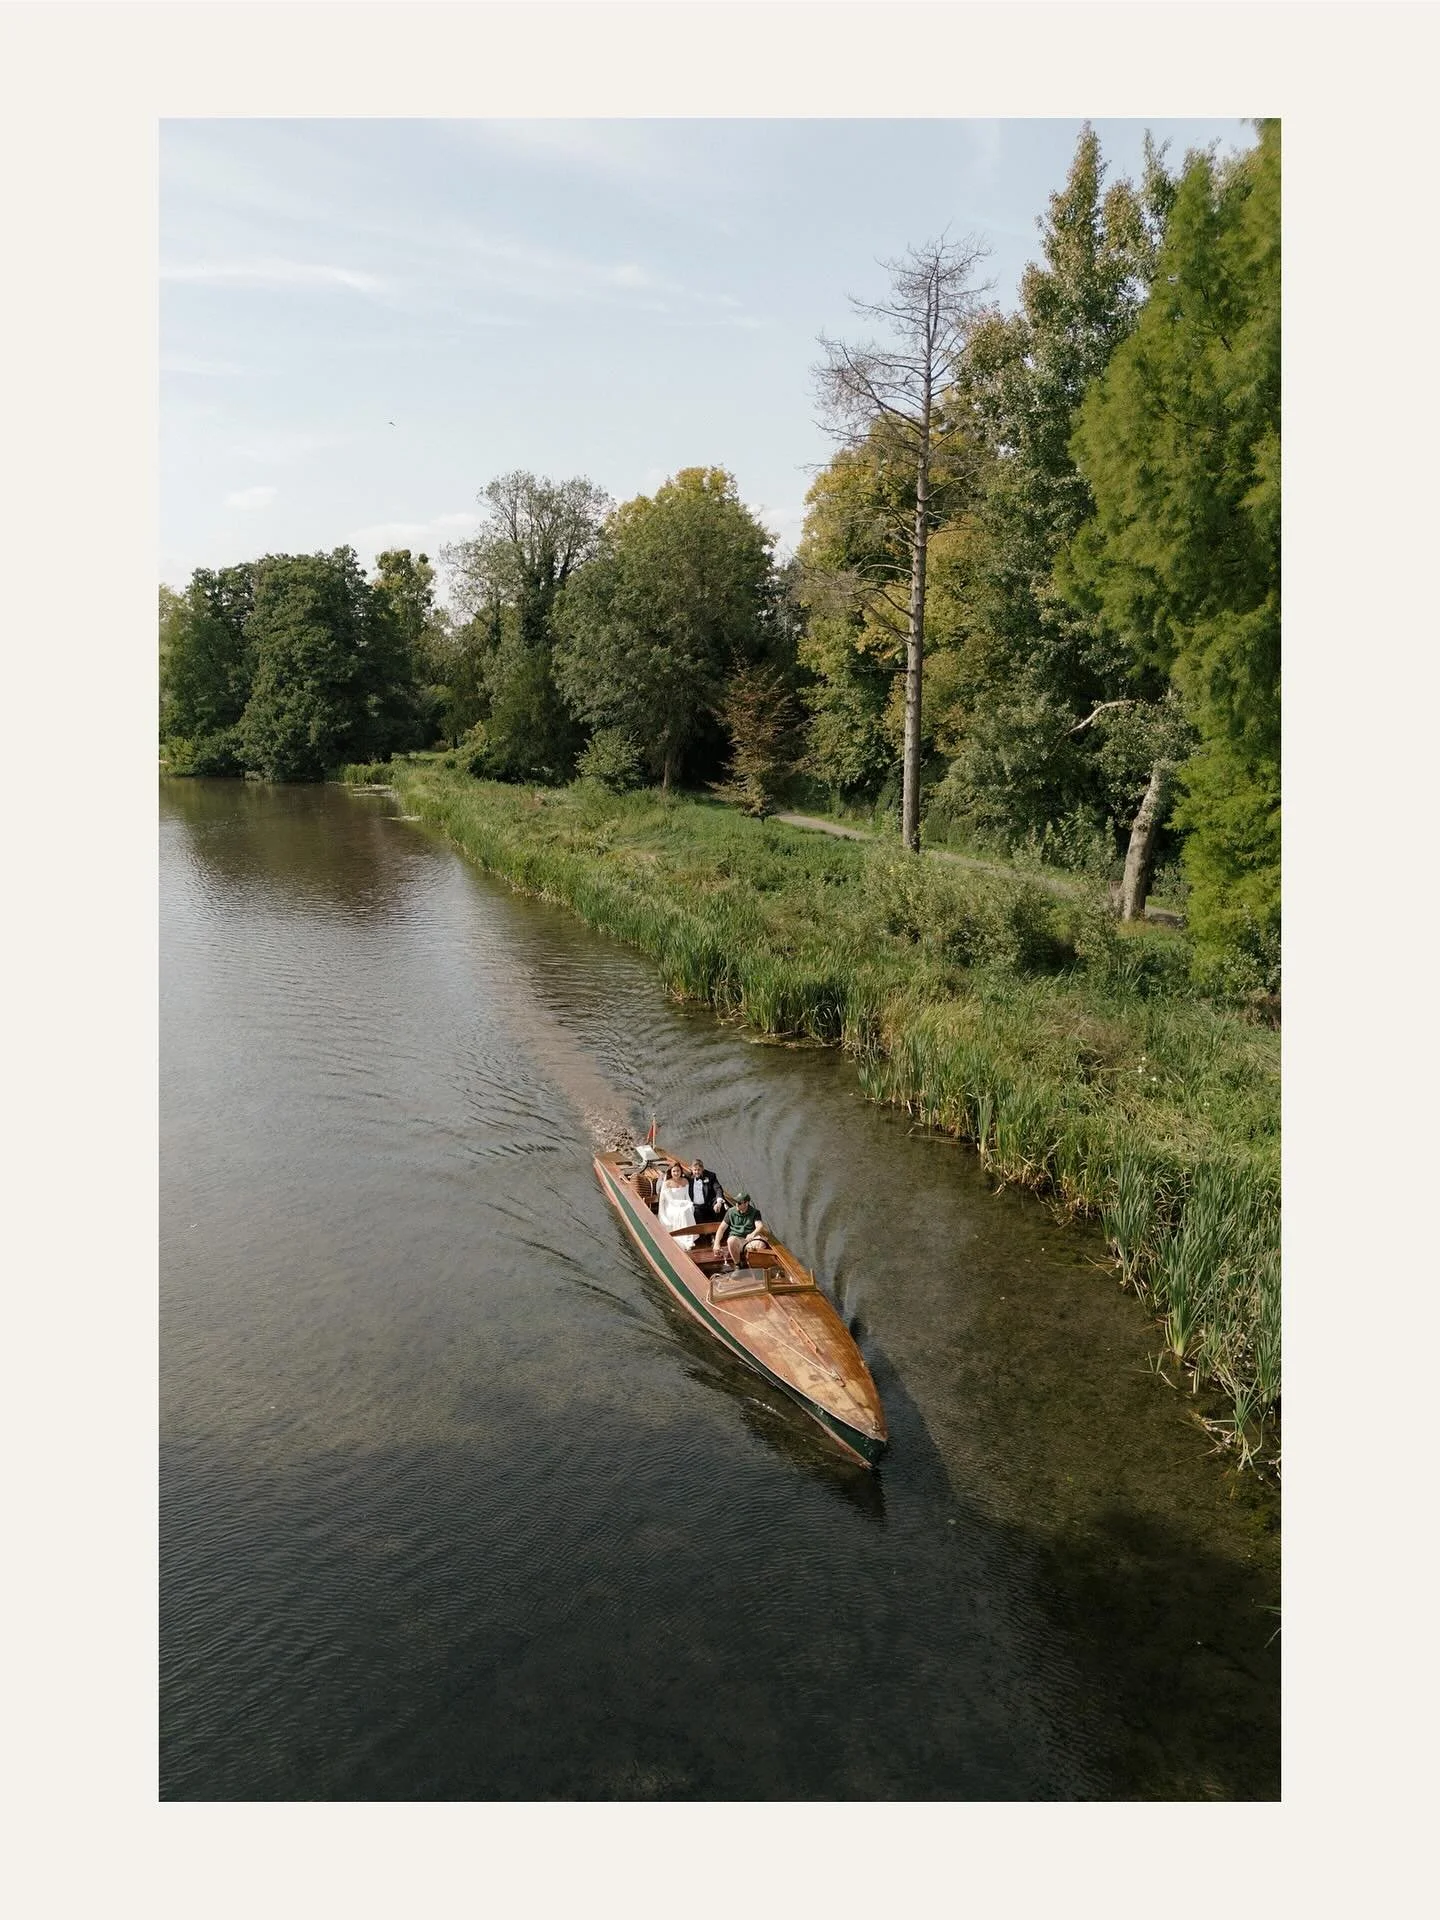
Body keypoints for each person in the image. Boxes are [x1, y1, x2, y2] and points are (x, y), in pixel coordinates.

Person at [716, 1190, 769, 1269]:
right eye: (736, 1202)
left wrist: (752, 1234)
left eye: (739, 1203)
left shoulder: (755, 1212)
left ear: (746, 1203)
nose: (737, 1204)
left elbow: (759, 1226)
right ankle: (737, 1264)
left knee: (761, 1243)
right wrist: (716, 1244)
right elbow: (721, 1228)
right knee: (731, 1240)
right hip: (737, 1239)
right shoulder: (730, 1212)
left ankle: (754, 1266)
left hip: (749, 1240)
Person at [656, 1162, 699, 1250]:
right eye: (674, 1171)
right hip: (671, 1207)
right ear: (670, 1172)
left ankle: (690, 1237)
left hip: (684, 1204)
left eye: (678, 1171)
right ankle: (685, 1239)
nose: (676, 1173)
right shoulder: (667, 1183)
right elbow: (671, 1201)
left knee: (688, 1209)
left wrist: (689, 1204)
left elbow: (687, 1196)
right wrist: (684, 1204)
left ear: (681, 1171)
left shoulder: (685, 1181)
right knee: (683, 1212)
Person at [686, 1157, 724, 1222]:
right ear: (691, 1169)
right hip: (696, 1206)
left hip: (709, 1203)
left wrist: (719, 1202)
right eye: (695, 1170)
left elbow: (718, 1188)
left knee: (719, 1209)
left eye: (699, 1170)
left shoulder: (711, 1176)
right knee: (697, 1216)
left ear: (702, 1169)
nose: (697, 1172)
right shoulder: (688, 1177)